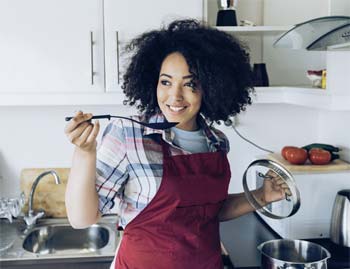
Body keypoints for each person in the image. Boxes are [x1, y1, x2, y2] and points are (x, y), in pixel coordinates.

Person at [64, 19, 289, 269]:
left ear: (211, 86)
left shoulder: (217, 142)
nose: (175, 96)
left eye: (190, 84)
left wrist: (262, 196)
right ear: (153, 82)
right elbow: (82, 218)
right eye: (166, 81)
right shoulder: (129, 135)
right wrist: (84, 154)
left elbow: (209, 211)